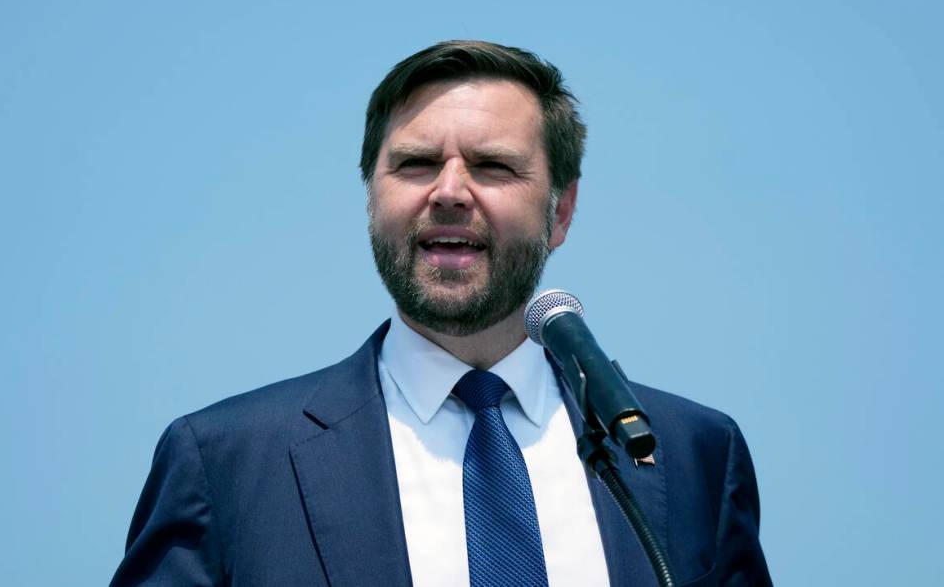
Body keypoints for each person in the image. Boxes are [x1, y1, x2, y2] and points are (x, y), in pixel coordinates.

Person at [111, 40, 772, 586]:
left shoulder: (693, 456)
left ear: (561, 211)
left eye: (492, 166)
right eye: (416, 164)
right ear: (371, 197)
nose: (450, 191)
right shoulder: (226, 462)